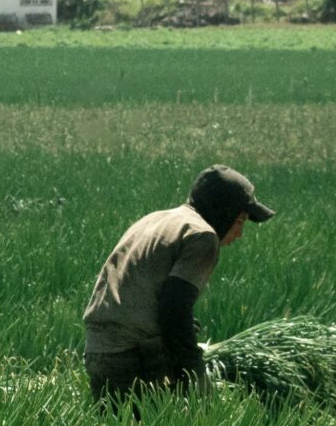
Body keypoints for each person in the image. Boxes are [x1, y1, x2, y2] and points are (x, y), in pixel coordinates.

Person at [82, 164, 275, 402]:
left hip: (98, 350)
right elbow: (174, 309)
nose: (239, 233)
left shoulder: (155, 219)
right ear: (223, 212)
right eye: (240, 221)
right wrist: (195, 374)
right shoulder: (202, 236)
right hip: (132, 355)